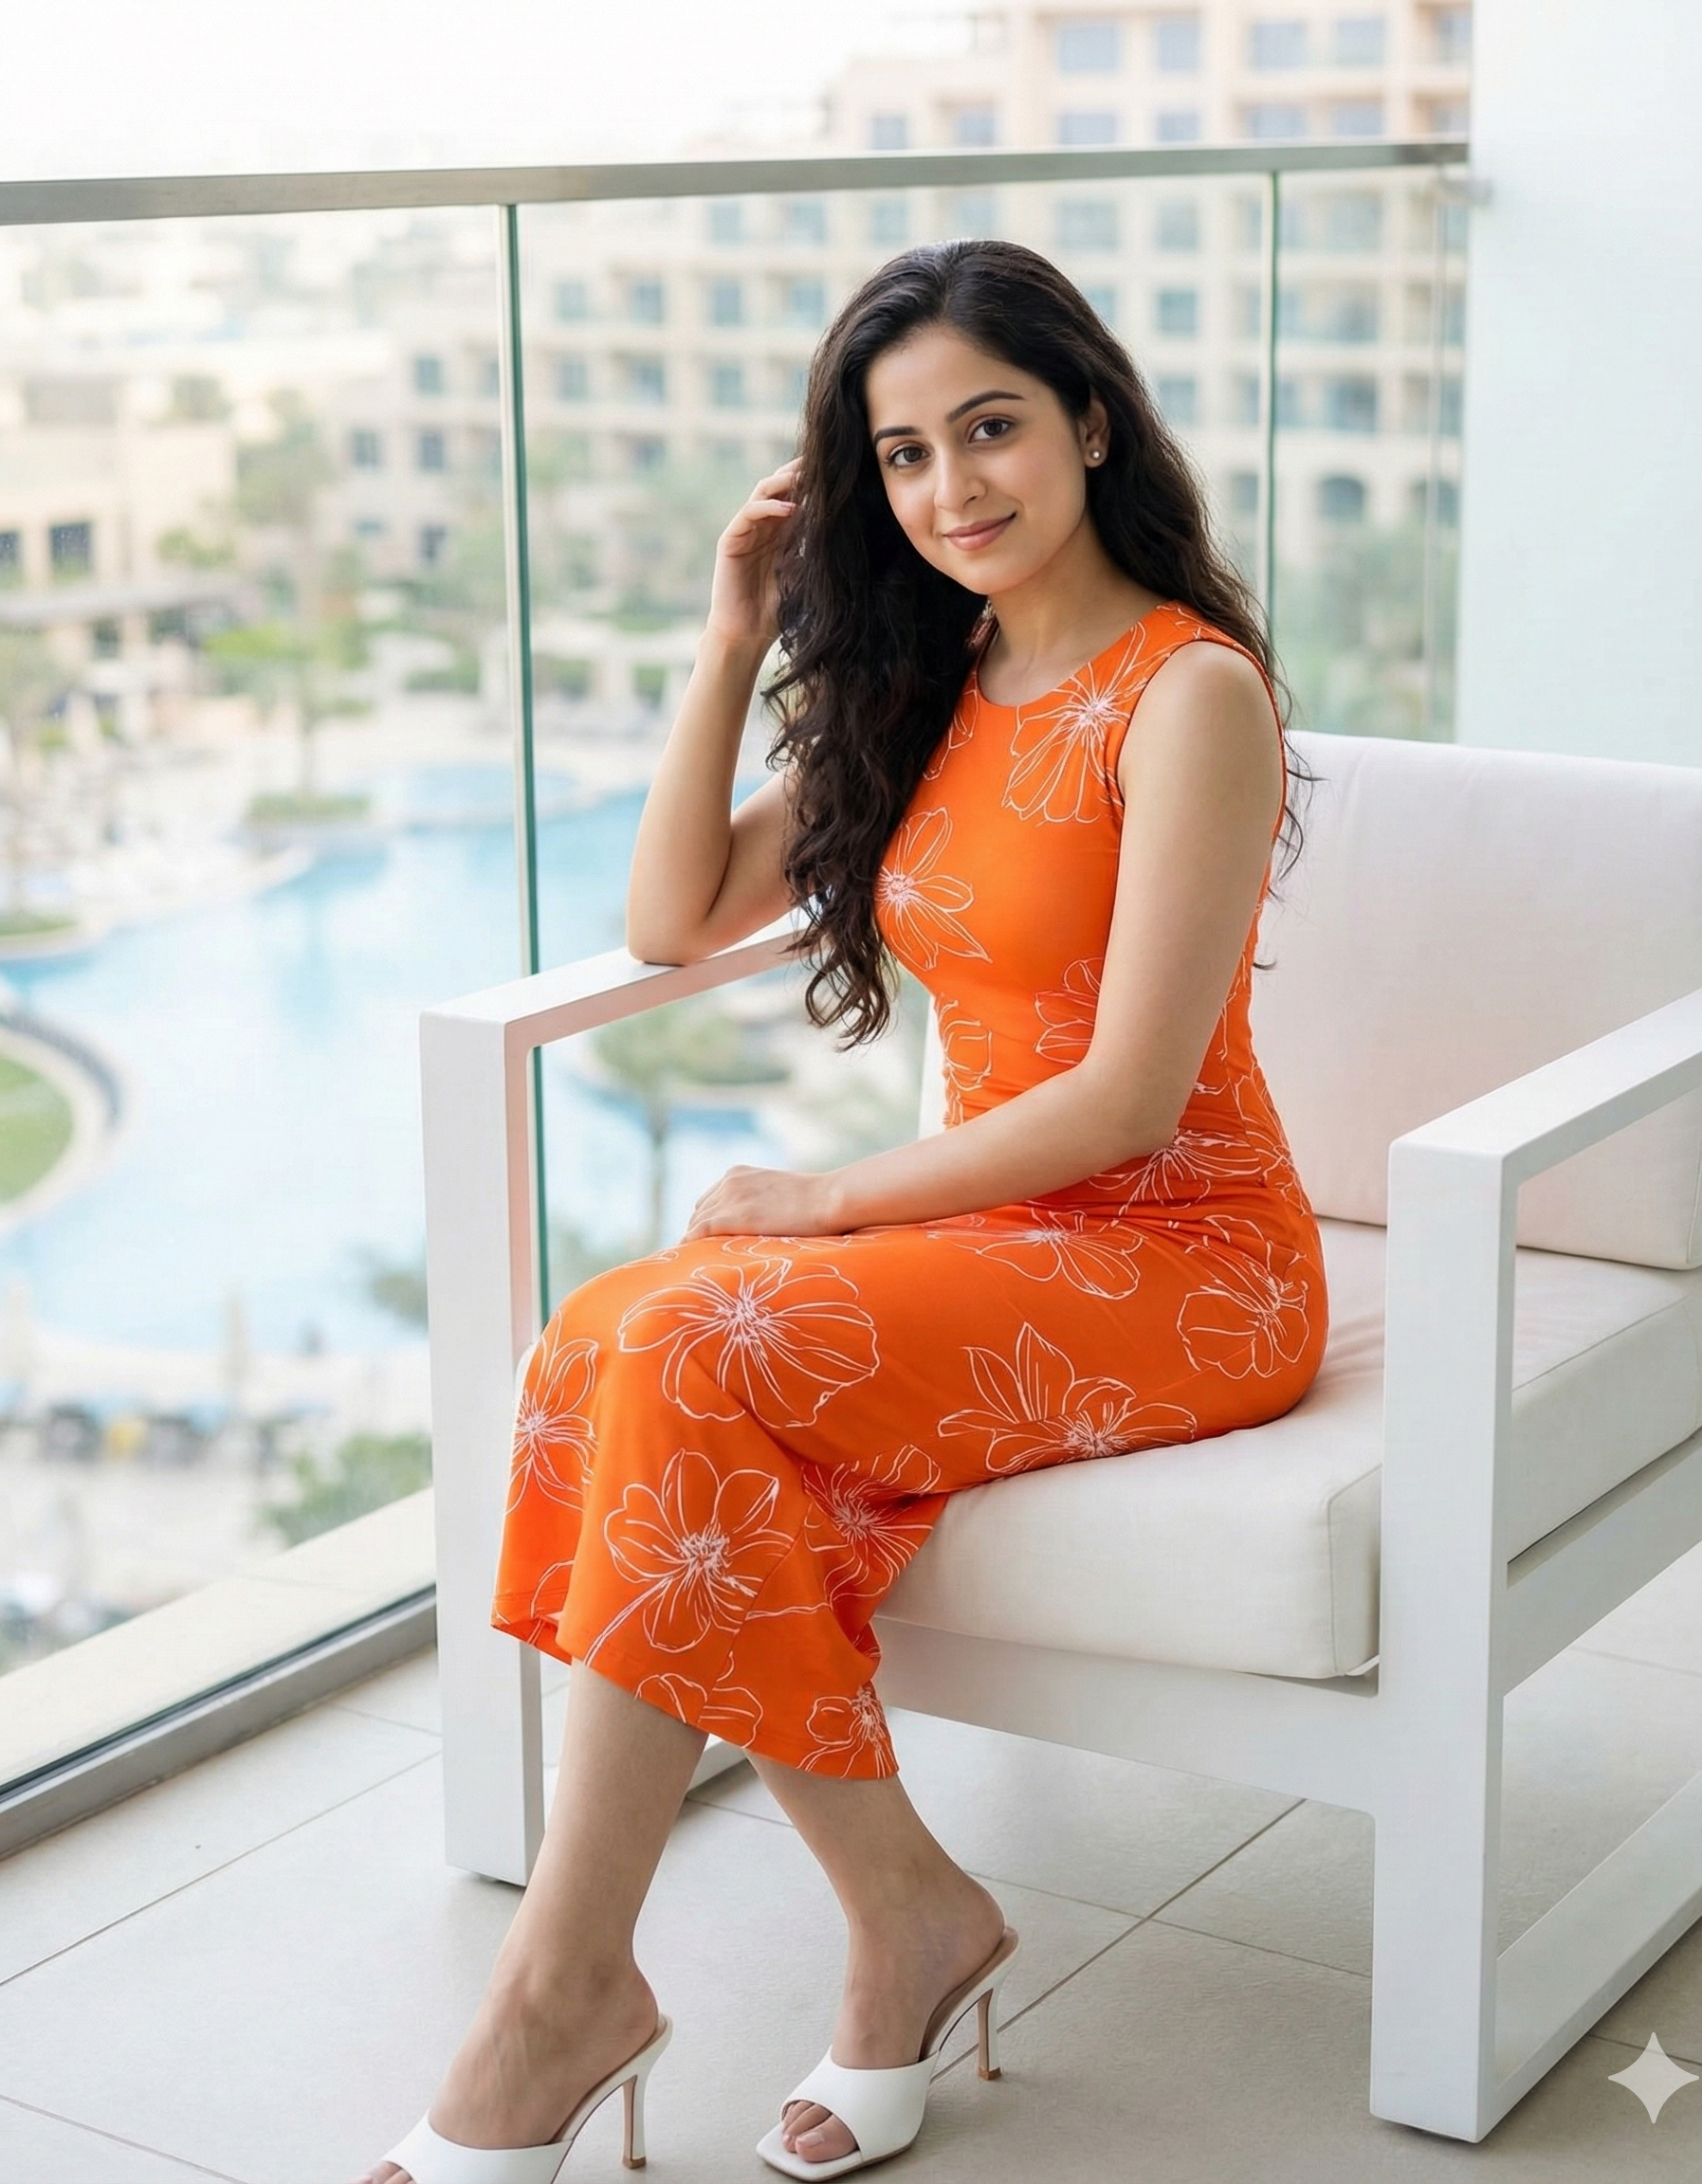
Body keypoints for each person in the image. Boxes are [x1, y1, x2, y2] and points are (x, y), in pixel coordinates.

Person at [361, 237, 1327, 2184]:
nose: (952, 489)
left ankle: (575, 1997)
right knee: (618, 1338)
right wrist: (735, 639)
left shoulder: (1184, 694)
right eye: (900, 457)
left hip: (1182, 1260)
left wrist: (825, 1199)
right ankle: (880, 1920)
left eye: (989, 429)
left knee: (689, 1336)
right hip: (989, 1244)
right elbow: (671, 920)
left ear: (1088, 420)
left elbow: (1124, 1099)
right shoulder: (933, 678)